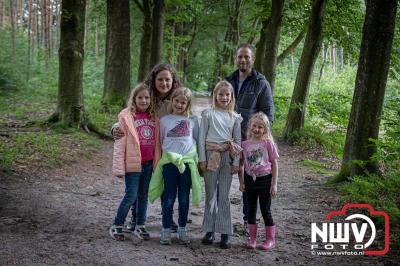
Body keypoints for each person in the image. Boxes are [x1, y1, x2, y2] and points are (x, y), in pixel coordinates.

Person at [113, 63, 182, 234]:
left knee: (167, 186)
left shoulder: (177, 99)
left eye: (167, 79)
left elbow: (188, 118)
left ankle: (167, 218)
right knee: (138, 188)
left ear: (173, 81)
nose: (164, 83)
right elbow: (127, 118)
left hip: (168, 149)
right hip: (145, 151)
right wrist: (114, 127)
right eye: (160, 79)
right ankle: (135, 218)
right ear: (153, 80)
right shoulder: (146, 96)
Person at [225, 43, 274, 233]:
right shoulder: (228, 81)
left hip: (250, 143)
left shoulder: (261, 83)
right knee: (225, 177)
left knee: (249, 181)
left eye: (247, 57)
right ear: (235, 59)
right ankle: (220, 220)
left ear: (252, 59)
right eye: (240, 57)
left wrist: (260, 139)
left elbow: (268, 115)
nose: (243, 60)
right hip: (228, 139)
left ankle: (248, 221)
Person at [148, 87, 202, 245]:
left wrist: (199, 162)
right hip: (170, 164)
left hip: (186, 164)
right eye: (176, 101)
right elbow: (160, 141)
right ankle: (165, 230)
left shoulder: (192, 121)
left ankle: (182, 229)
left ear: (188, 104)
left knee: (184, 198)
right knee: (169, 197)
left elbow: (197, 141)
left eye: (183, 102)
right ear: (172, 101)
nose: (179, 104)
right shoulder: (164, 121)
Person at [198, 80, 242, 249]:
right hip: (210, 156)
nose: (224, 97)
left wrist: (236, 162)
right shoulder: (208, 114)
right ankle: (209, 230)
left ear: (231, 97)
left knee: (224, 196)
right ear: (215, 96)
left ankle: (225, 232)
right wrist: (202, 159)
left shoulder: (235, 117)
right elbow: (201, 138)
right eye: (221, 94)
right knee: (210, 194)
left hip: (227, 158)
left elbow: (237, 141)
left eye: (227, 94)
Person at [109, 83, 156, 241]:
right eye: (140, 97)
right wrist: (118, 168)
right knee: (131, 195)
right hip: (133, 165)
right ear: (134, 99)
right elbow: (120, 143)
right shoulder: (127, 117)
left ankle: (140, 224)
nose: (144, 101)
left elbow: (159, 142)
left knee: (143, 196)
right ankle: (117, 224)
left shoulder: (154, 116)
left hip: (148, 163)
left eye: (147, 97)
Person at [239, 112, 279, 250]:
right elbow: (241, 164)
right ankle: (252, 239)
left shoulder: (268, 143)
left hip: (265, 180)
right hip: (250, 180)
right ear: (250, 126)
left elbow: (274, 164)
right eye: (254, 126)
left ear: (265, 129)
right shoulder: (244, 144)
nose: (256, 129)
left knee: (265, 210)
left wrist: (274, 184)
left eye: (260, 127)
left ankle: (270, 240)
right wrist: (241, 182)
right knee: (250, 210)